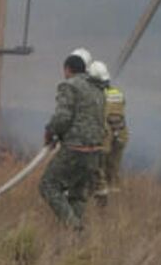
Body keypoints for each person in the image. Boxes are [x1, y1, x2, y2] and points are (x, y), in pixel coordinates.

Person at [38, 53, 106, 230]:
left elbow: (63, 117)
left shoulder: (69, 86)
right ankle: (74, 240)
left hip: (76, 149)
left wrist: (50, 132)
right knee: (77, 194)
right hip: (96, 151)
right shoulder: (97, 88)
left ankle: (75, 226)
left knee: (48, 185)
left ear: (67, 69)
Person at [87, 60, 128, 200]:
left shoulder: (96, 96)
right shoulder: (118, 93)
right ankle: (116, 204)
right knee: (114, 171)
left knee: (99, 170)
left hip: (105, 137)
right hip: (121, 136)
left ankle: (101, 204)